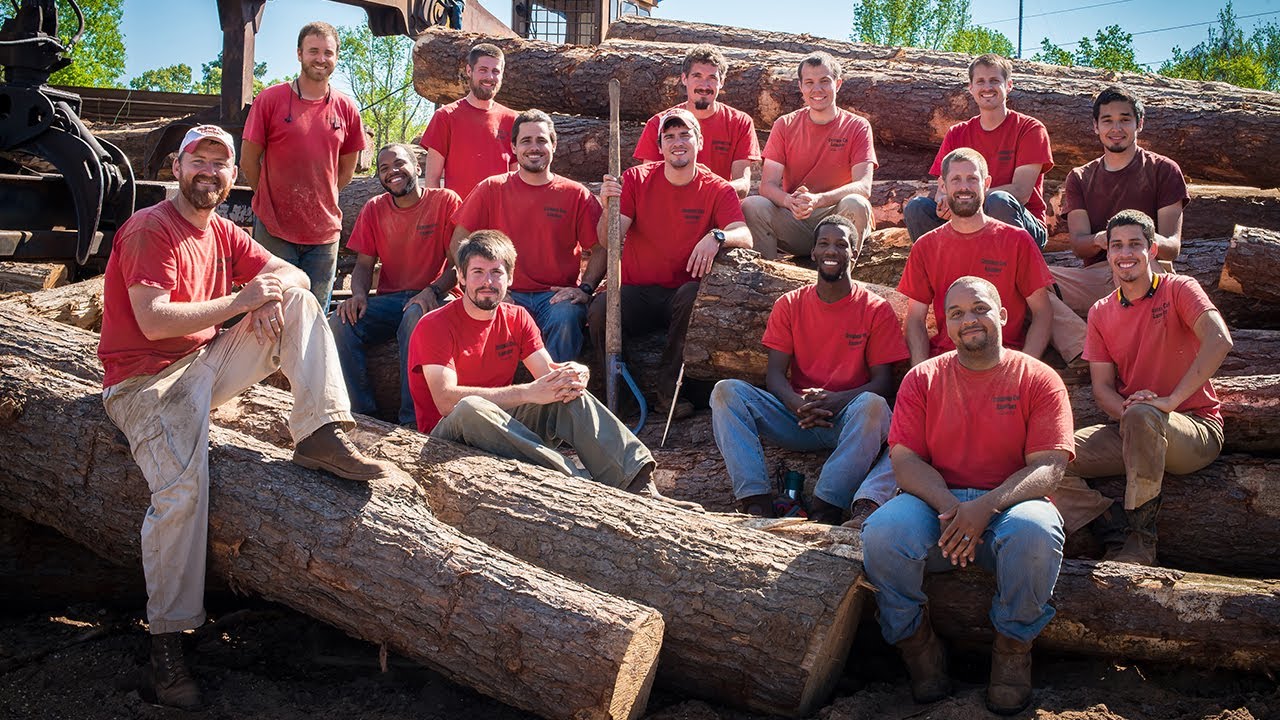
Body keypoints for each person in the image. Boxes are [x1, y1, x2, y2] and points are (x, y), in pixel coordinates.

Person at [98, 125, 393, 711]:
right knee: (182, 492)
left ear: (235, 175)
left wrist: (271, 294)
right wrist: (241, 303)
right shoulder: (149, 229)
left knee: (303, 302)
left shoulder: (223, 230)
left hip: (202, 364)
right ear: (179, 167)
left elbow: (298, 274)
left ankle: (321, 433)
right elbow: (154, 321)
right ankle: (166, 645)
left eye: (221, 163)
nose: (209, 171)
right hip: (144, 386)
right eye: (198, 160)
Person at [861, 275, 1072, 715]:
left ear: (1004, 315)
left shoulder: (1038, 378)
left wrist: (986, 506)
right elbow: (905, 461)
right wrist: (954, 508)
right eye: (955, 314)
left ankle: (1012, 651)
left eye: (979, 308)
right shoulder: (923, 378)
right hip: (936, 509)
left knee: (1036, 532)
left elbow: (1049, 466)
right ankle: (918, 647)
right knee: (881, 532)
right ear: (945, 327)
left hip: (1010, 507)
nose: (968, 320)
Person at [407, 230, 672, 501]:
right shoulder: (433, 325)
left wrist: (576, 374)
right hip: (445, 440)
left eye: (496, 273)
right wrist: (527, 392)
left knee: (564, 389)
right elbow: (445, 401)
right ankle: (578, 484)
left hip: (503, 429)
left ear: (510, 278)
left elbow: (548, 375)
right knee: (470, 407)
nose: (487, 282)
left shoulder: (517, 317)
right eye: (477, 272)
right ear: (461, 277)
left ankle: (636, 482)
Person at [1055, 210, 1231, 566]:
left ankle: (1141, 539)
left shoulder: (1179, 288)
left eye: (1135, 244)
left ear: (1152, 250)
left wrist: (1169, 401)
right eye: (1117, 245)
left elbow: (1219, 340)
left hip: (1194, 427)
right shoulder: (1101, 311)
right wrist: (1129, 415)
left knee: (1143, 415)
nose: (1125, 253)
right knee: (1050, 459)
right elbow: (1103, 388)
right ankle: (1113, 527)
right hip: (1133, 423)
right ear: (1107, 255)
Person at [710, 215, 908, 525]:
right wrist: (797, 404)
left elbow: (882, 382)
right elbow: (774, 375)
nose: (832, 251)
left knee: (875, 406)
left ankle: (826, 507)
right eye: (824, 244)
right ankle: (756, 503)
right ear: (813, 252)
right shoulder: (789, 304)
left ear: (854, 254)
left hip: (846, 422)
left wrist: (836, 401)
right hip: (796, 417)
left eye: (841, 244)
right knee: (726, 392)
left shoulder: (875, 309)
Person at [588, 108, 753, 419]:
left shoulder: (717, 187)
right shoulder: (636, 179)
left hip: (682, 294)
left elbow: (744, 234)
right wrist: (608, 206)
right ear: (660, 146)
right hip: (639, 291)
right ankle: (621, 402)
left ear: (699, 141)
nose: (678, 142)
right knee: (599, 311)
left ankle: (667, 392)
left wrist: (717, 236)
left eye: (685, 135)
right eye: (669, 137)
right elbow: (609, 240)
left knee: (693, 295)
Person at [897, 148, 1083, 366]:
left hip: (1004, 359)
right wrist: (921, 372)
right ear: (942, 186)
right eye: (955, 179)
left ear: (986, 184)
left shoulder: (1016, 240)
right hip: (948, 362)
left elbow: (1042, 312)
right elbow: (915, 319)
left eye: (972, 179)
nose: (964, 187)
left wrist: (1025, 365)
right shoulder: (925, 246)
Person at [452, 110, 604, 362]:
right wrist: (481, 285)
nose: (534, 148)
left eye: (542, 140)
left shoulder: (575, 194)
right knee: (492, 319)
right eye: (526, 141)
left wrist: (585, 288)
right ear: (513, 147)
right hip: (504, 291)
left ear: (553, 145)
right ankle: (497, 399)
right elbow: (460, 240)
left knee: (567, 316)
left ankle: (556, 396)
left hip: (554, 297)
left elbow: (601, 247)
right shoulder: (491, 188)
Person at [329, 143, 462, 426]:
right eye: (384, 168)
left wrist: (433, 290)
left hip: (438, 297)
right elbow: (364, 265)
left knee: (415, 315)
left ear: (417, 166)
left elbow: (457, 265)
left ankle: (412, 421)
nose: (392, 172)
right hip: (391, 301)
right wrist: (359, 296)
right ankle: (363, 414)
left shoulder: (445, 201)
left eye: (399, 164)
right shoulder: (374, 209)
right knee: (339, 323)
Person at [241, 21, 365, 311]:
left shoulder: (346, 108)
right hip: (274, 231)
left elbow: (346, 169)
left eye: (328, 52)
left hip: (323, 237)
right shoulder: (271, 100)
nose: (321, 59)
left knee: (313, 316)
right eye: (313, 51)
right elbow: (248, 159)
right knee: (271, 313)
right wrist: (271, 197)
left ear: (336, 57)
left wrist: (322, 195)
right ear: (299, 54)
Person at [1049, 86, 1190, 320]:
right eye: (1107, 121)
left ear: (1139, 123)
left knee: (1132, 261)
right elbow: (1078, 244)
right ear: (1096, 126)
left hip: (1147, 269)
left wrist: (1131, 242)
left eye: (1125, 120)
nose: (1116, 129)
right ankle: (1082, 351)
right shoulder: (1080, 177)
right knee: (1033, 282)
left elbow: (1172, 246)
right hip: (1097, 277)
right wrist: (1102, 239)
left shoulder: (1163, 170)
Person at [903, 53, 1053, 248]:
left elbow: (1021, 192)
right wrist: (943, 202)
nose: (987, 87)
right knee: (918, 208)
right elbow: (942, 187)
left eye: (994, 81)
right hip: (965, 220)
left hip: (1019, 224)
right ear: (971, 88)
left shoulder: (1029, 129)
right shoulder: (957, 133)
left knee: (998, 200)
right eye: (980, 81)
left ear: (1009, 85)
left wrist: (966, 199)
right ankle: (941, 269)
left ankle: (1012, 272)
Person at [742, 51, 876, 259]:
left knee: (856, 203)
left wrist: (818, 199)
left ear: (838, 84)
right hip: (797, 219)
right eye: (809, 82)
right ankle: (764, 278)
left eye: (825, 81)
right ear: (801, 87)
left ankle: (841, 279)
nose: (817, 89)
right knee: (752, 205)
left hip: (837, 217)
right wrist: (789, 201)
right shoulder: (785, 125)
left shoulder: (857, 126)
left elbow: (863, 186)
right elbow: (767, 185)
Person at [632, 44, 760, 197]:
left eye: (712, 78)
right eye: (697, 76)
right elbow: (649, 179)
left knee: (753, 206)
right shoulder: (658, 123)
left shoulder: (740, 122)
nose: (704, 85)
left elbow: (742, 184)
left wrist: (706, 188)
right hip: (672, 203)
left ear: (722, 82)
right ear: (684, 78)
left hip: (718, 203)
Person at [418, 42, 517, 200]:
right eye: (483, 70)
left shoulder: (512, 120)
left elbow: (515, 179)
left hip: (499, 217)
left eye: (495, 71)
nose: (489, 77)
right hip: (458, 217)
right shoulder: (445, 116)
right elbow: (432, 180)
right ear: (469, 71)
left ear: (502, 74)